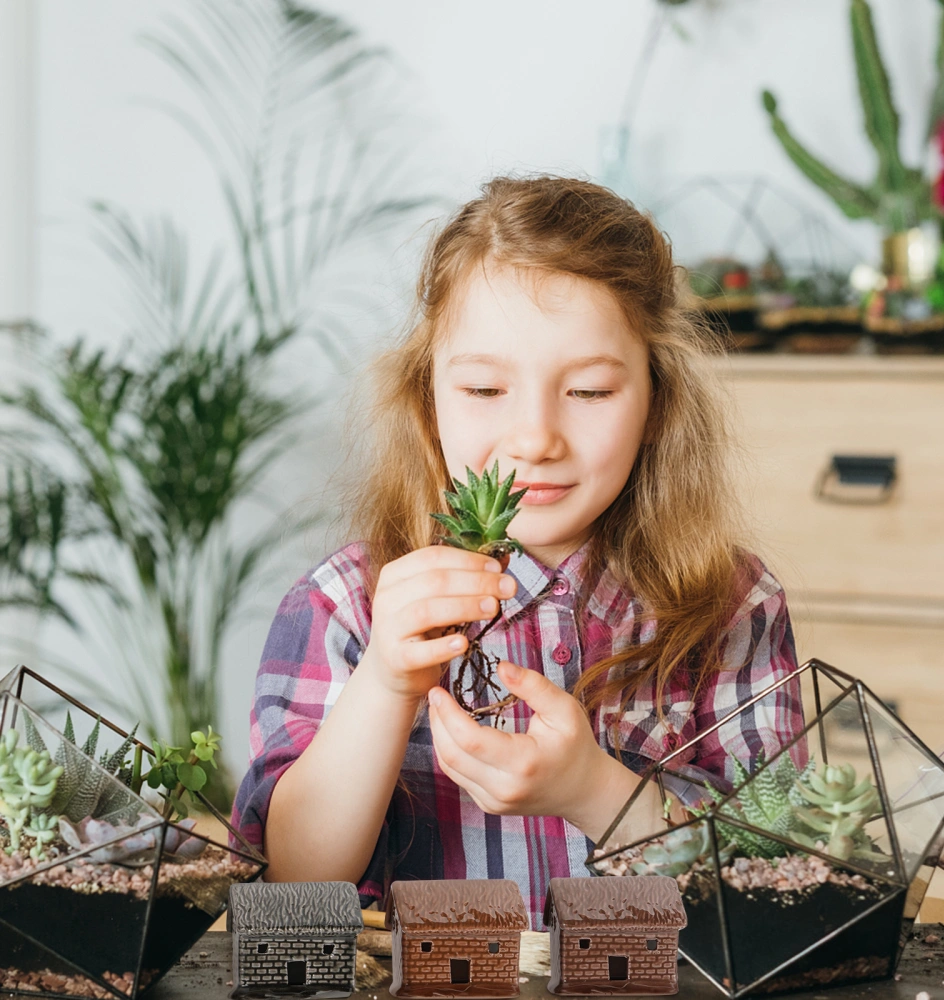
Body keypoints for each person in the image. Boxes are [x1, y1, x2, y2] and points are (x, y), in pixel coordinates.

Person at [230, 173, 804, 931]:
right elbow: (292, 886)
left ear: (658, 404)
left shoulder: (732, 605)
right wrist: (387, 683)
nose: (535, 438)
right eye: (484, 390)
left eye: (591, 392)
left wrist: (595, 791)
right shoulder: (345, 602)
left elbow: (777, 883)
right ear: (427, 402)